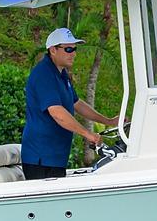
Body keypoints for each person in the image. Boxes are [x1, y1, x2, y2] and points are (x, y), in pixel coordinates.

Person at [22, 27, 115, 180]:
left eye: (75, 49)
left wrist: (109, 121)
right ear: (53, 50)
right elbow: (57, 113)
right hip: (41, 158)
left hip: (55, 157)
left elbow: (76, 103)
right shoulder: (43, 74)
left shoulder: (61, 73)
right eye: (68, 49)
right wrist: (87, 134)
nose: (74, 53)